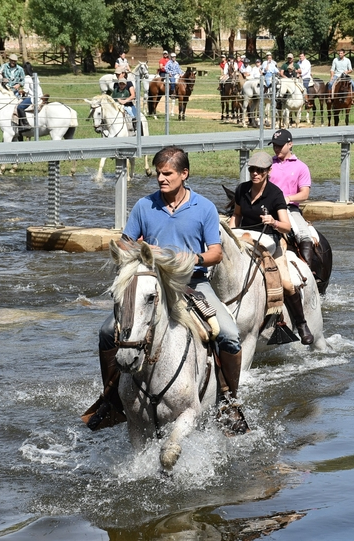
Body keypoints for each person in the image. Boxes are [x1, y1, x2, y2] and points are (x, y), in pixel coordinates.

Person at [86, 146, 244, 431]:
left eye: (167, 173)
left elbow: (216, 253)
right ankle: (110, 399)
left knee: (229, 334)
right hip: (152, 283)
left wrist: (189, 258)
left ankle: (229, 402)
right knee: (107, 332)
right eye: (158, 173)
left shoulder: (204, 208)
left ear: (184, 174)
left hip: (192, 284)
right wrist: (142, 249)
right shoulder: (145, 206)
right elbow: (124, 243)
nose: (161, 178)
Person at [230, 151, 315, 345]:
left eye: (259, 170)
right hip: (245, 239)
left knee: (285, 282)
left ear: (268, 171)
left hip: (271, 242)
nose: (255, 174)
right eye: (252, 169)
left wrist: (273, 221)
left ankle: (301, 325)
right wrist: (231, 230)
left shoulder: (275, 193)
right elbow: (236, 214)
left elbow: (286, 225)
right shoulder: (241, 190)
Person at [267, 129, 315, 269]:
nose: (276, 149)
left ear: (290, 144)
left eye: (279, 145)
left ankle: (308, 270)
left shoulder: (301, 167)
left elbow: (304, 194)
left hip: (290, 208)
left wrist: (288, 198)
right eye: (274, 145)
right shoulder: (268, 165)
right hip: (268, 207)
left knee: (304, 235)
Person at [0, 54, 26, 125]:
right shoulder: (3, 67)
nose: (13, 62)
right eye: (12, 61)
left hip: (15, 91)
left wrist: (19, 84)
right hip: (4, 89)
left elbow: (23, 80)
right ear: (9, 60)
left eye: (14, 61)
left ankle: (18, 120)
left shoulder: (20, 69)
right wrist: (2, 79)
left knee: (18, 104)